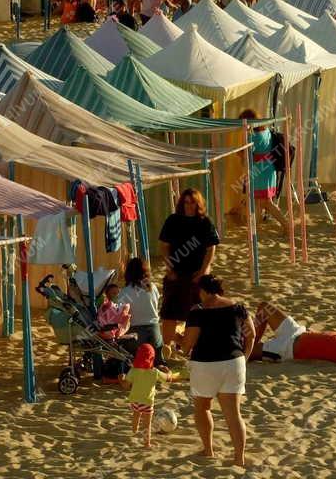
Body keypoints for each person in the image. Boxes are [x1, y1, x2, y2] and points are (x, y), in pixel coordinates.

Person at [180, 275, 254, 468]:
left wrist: (178, 339)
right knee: (233, 414)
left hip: (205, 364)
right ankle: (239, 458)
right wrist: (244, 357)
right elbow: (251, 334)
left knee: (203, 407)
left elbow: (187, 346)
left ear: (202, 291)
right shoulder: (238, 308)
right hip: (234, 362)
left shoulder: (198, 312)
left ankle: (209, 450)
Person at [158, 188, 219, 349]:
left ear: (198, 203)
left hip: (197, 276)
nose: (189, 206)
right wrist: (169, 268)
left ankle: (191, 345)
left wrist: (204, 270)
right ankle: (171, 346)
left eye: (192, 202)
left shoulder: (205, 222)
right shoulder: (173, 220)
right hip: (176, 275)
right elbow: (164, 246)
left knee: (197, 315)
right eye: (186, 202)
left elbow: (211, 248)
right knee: (169, 314)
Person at [237, 109, 292, 233]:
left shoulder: (252, 136)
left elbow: (251, 155)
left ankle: (285, 225)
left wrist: (240, 153)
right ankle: (258, 228)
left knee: (262, 203)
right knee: (263, 202)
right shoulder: (267, 131)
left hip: (259, 172)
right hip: (268, 170)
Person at [122, 344, 174, 449]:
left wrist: (121, 379)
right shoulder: (154, 372)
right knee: (147, 425)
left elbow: (125, 386)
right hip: (147, 402)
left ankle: (134, 432)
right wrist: (169, 372)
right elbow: (168, 379)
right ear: (152, 358)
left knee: (136, 416)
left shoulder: (133, 371)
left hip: (134, 400)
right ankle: (147, 444)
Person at [118, 258, 166, 365]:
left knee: (133, 359)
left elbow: (120, 313)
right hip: (155, 331)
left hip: (137, 334)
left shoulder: (125, 292)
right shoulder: (152, 287)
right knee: (158, 362)